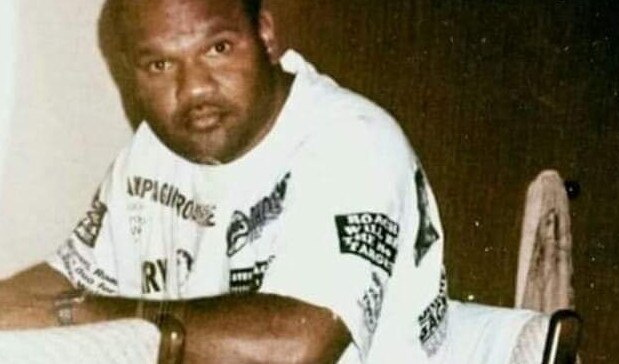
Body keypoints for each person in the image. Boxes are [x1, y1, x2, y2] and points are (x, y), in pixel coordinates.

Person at [0, 0, 449, 362]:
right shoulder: (155, 151)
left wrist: (75, 313)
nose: (194, 89)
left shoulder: (352, 142)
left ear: (266, 37)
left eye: (217, 48)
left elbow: (294, 348)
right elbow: (63, 277)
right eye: (159, 65)